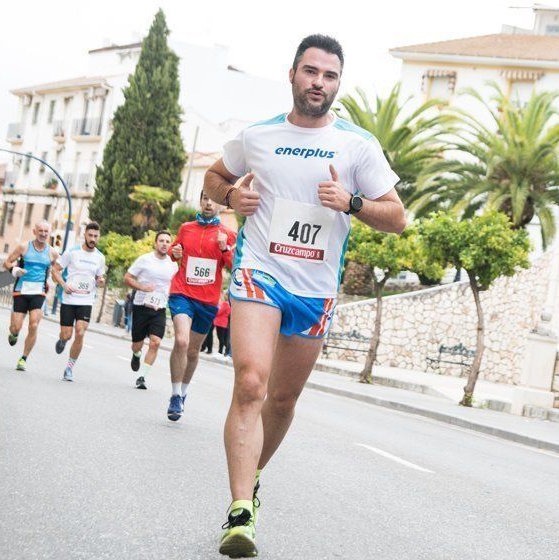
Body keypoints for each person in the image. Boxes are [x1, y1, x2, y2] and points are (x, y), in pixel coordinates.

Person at [203, 35, 406, 557]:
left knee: (283, 400)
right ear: (293, 74)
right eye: (311, 72)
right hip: (259, 272)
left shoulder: (357, 145)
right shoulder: (259, 135)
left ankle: (251, 484)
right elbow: (214, 177)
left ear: (337, 84)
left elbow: (397, 218)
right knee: (251, 382)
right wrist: (231, 197)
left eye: (330, 76)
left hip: (314, 289)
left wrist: (352, 200)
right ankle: (239, 510)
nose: (319, 82)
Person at [164, 192, 237, 421]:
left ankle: (183, 393)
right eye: (204, 198)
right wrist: (174, 253)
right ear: (200, 201)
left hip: (207, 299)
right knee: (182, 341)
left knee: (193, 351)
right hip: (182, 292)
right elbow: (174, 252)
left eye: (212, 199)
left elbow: (235, 266)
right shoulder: (187, 228)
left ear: (221, 205)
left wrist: (225, 249)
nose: (208, 203)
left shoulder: (228, 234)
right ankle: (175, 395)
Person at [51, 222, 107, 382]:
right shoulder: (72, 252)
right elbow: (55, 270)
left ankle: (69, 367)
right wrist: (63, 285)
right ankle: (62, 339)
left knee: (80, 332)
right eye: (90, 235)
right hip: (69, 299)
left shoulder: (100, 257)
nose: (93, 239)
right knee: (67, 334)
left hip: (86, 300)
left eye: (96, 236)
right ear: (85, 235)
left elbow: (99, 278)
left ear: (98, 237)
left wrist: (101, 281)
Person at [123, 230, 178, 390]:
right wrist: (142, 287)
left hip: (159, 309)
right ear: (156, 243)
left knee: (156, 343)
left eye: (168, 241)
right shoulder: (144, 259)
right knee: (137, 345)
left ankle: (142, 377)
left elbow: (176, 285)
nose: (164, 244)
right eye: (161, 240)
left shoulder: (173, 265)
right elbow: (127, 277)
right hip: (141, 306)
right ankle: (136, 354)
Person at [3, 221, 60, 371]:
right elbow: (7, 262)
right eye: (40, 231)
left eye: (46, 231)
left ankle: (23, 358)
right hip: (21, 290)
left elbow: (57, 271)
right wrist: (15, 271)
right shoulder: (24, 247)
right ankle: (13, 332)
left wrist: (59, 280)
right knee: (16, 327)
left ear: (49, 233)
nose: (43, 234)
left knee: (34, 325)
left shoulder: (53, 253)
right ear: (34, 232)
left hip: (39, 292)